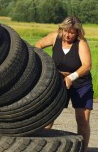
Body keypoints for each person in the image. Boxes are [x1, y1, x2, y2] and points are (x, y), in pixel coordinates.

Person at [35, 16, 93, 152]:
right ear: (62, 29)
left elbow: (87, 66)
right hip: (59, 81)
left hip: (81, 83)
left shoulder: (81, 43)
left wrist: (71, 77)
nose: (68, 35)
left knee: (82, 119)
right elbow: (38, 46)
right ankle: (39, 147)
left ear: (78, 32)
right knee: (48, 116)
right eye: (66, 31)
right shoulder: (55, 37)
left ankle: (82, 150)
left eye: (72, 32)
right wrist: (46, 65)